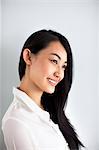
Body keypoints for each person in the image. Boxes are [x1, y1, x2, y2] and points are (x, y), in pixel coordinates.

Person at [2, 29, 84, 150]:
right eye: (54, 61)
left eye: (64, 66)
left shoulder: (55, 107)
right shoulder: (16, 122)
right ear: (28, 57)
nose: (60, 74)